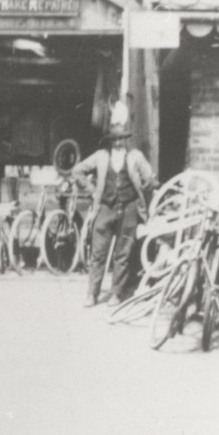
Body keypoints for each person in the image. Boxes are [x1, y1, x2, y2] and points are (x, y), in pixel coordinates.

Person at [72, 121, 156, 308]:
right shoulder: (101, 156)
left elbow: (150, 177)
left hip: (129, 210)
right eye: (115, 139)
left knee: (123, 254)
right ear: (110, 141)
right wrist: (92, 190)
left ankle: (116, 294)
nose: (118, 143)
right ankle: (92, 294)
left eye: (121, 139)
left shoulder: (135, 156)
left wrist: (141, 190)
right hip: (105, 209)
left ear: (126, 140)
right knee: (98, 253)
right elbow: (77, 171)